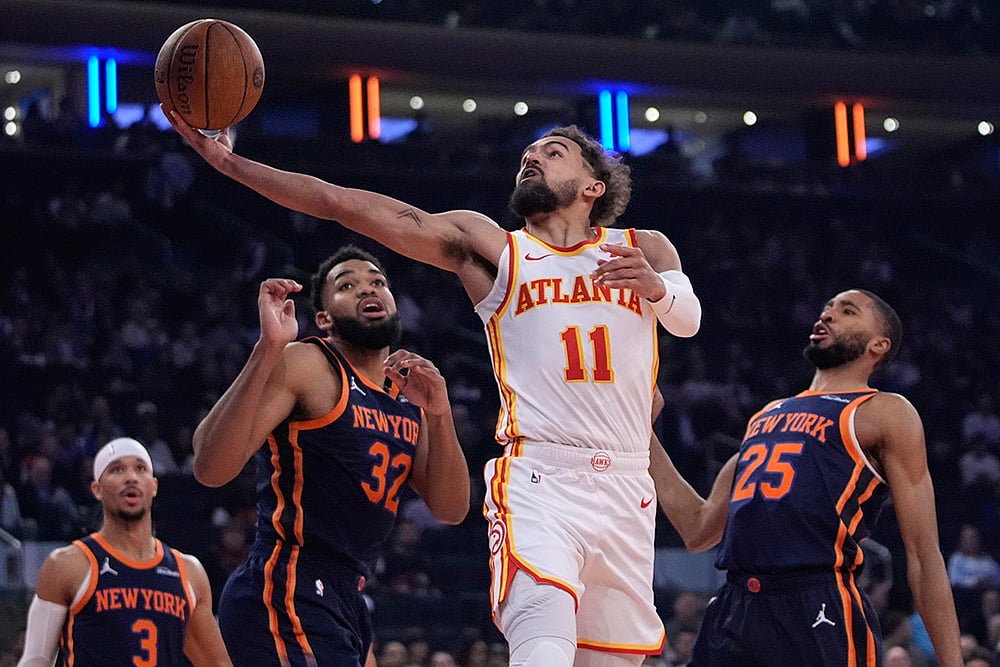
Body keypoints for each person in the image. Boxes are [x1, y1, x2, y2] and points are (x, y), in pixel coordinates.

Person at [166, 108, 702, 665]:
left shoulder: (647, 248)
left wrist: (658, 292)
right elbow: (343, 203)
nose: (532, 157)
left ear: (593, 184)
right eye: (528, 153)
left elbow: (687, 320)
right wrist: (230, 164)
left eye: (552, 151)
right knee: (541, 636)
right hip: (541, 476)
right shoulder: (495, 249)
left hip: (626, 484)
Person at [649, 289, 963, 666]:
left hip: (817, 601)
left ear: (879, 345)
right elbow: (698, 529)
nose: (829, 315)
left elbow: (924, 556)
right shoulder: (767, 414)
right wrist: (641, 431)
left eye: (848, 311)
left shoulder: (885, 412)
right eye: (827, 308)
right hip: (735, 605)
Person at [190, 244, 471, 667]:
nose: (366, 289)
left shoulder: (407, 392)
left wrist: (440, 412)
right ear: (324, 318)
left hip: (348, 595)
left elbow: (451, 508)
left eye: (377, 282)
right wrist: (268, 350)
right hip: (287, 582)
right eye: (347, 285)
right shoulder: (309, 362)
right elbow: (210, 467)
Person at [16, 437, 232, 666]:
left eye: (140, 469)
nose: (131, 477)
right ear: (97, 489)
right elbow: (36, 660)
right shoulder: (67, 565)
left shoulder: (188, 572)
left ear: (154, 486)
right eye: (117, 469)